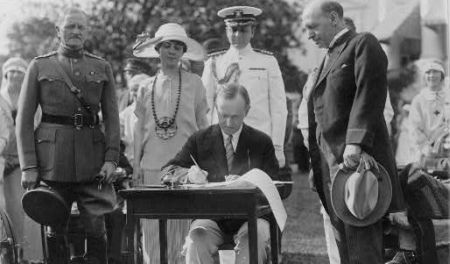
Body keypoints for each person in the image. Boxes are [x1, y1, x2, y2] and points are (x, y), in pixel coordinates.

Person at [301, 1, 406, 264]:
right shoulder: (327, 58)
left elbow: (370, 94)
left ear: (334, 18)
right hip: (331, 168)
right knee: (344, 249)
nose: (308, 35)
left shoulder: (363, 43)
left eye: (312, 27)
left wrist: (355, 144)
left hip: (358, 165)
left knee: (363, 249)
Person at [16, 8, 120, 264]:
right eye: (70, 26)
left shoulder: (101, 66)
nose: (75, 32)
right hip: (52, 160)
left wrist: (111, 159)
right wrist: (28, 165)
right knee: (54, 227)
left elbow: (112, 118)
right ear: (58, 31)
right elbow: (24, 119)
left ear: (87, 32)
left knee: (97, 226)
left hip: (92, 161)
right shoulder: (40, 65)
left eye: (81, 27)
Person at [161, 83, 279, 264]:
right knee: (196, 240)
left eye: (235, 117)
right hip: (210, 216)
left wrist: (251, 182)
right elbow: (169, 172)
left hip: (253, 216)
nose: (229, 123)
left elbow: (277, 183)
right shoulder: (200, 139)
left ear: (247, 110)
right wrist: (188, 175)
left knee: (252, 241)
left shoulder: (261, 142)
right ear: (216, 109)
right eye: (223, 116)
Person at [132, 22, 208, 264]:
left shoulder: (195, 82)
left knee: (184, 234)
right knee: (152, 233)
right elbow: (138, 129)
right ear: (158, 49)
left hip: (184, 169)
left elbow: (203, 126)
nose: (172, 51)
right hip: (152, 166)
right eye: (167, 46)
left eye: (177, 47)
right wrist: (136, 165)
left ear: (183, 52)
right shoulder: (144, 86)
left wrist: (205, 165)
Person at [202, 5, 288, 167]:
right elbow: (205, 108)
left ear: (252, 31)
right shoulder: (214, 62)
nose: (237, 35)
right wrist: (206, 143)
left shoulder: (267, 62)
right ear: (226, 30)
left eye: (243, 30)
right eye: (232, 29)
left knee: (257, 189)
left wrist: (277, 146)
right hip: (223, 142)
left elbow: (278, 107)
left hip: (259, 139)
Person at [409, 61, 450, 162]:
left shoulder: (447, 97)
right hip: (427, 152)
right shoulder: (418, 100)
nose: (432, 75)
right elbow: (415, 128)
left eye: (435, 71)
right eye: (428, 72)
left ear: (442, 75)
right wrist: (426, 147)